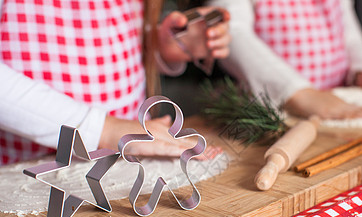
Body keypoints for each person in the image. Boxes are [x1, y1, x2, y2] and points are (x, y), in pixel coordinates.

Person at [0, 1, 230, 165]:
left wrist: (162, 45)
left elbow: (112, 34)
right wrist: (102, 130)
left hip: (131, 156)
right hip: (27, 166)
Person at [206, 0, 362, 120]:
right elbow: (232, 32)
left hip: (340, 102)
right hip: (272, 113)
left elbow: (347, 32)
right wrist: (297, 92)